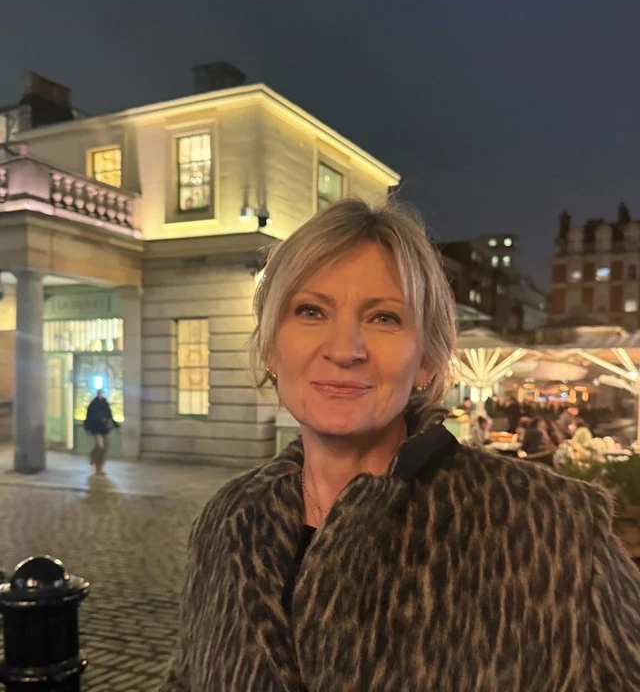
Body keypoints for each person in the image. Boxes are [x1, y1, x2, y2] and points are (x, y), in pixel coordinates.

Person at [162, 198, 640, 692]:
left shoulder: (550, 532)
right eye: (310, 311)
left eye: (384, 318)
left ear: (427, 359)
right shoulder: (228, 520)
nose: (345, 350)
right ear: (270, 346)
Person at [84, 389, 115, 475]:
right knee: (100, 446)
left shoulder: (105, 404)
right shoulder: (93, 404)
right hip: (96, 429)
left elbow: (109, 415)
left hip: (104, 429)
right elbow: (89, 417)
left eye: (102, 394)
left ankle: (100, 467)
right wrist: (87, 428)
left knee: (105, 447)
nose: (101, 395)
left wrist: (114, 424)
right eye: (100, 393)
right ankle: (93, 459)